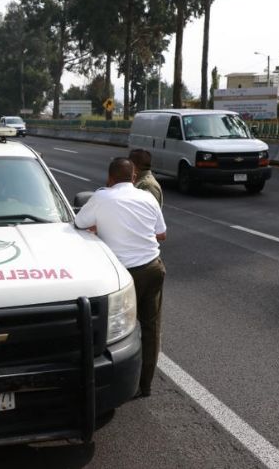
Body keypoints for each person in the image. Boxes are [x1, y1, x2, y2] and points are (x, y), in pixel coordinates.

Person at [75, 158, 166, 398]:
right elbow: (161, 234)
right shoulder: (148, 197)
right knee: (151, 328)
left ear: (110, 178)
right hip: (153, 268)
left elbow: (78, 223)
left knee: (112, 330)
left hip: (122, 276)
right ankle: (145, 386)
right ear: (134, 177)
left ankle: (109, 387)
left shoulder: (102, 197)